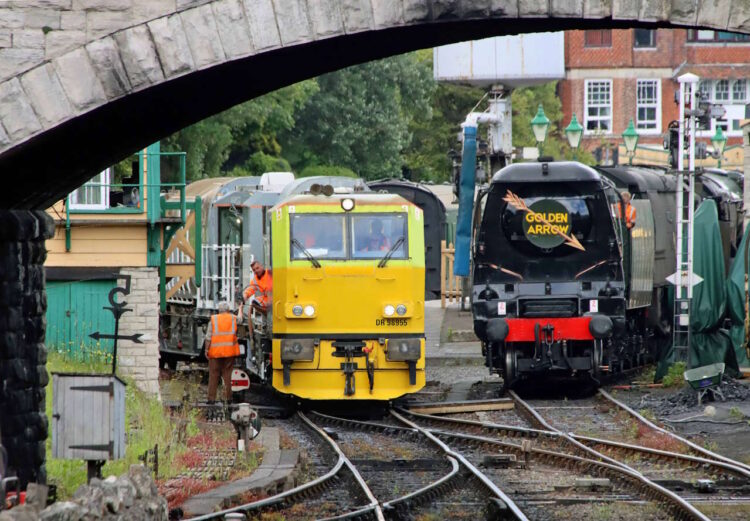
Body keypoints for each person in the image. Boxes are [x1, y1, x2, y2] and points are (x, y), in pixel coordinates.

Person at [204, 301, 239, 403]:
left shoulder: (213, 319)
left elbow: (208, 337)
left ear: (219, 310)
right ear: (228, 310)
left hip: (215, 353)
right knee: (227, 375)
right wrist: (240, 308)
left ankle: (211, 399)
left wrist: (207, 349)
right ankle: (227, 399)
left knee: (213, 375)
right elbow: (241, 319)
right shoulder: (233, 318)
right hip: (229, 353)